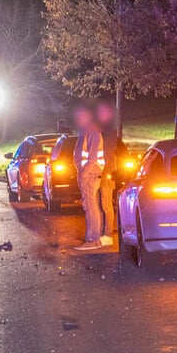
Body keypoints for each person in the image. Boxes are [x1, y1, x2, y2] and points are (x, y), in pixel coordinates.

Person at [72, 104, 104, 251]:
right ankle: (93, 238)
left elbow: (92, 157)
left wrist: (84, 174)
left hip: (90, 175)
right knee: (90, 206)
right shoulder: (85, 132)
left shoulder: (93, 132)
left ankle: (92, 239)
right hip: (87, 175)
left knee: (91, 207)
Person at [94, 100, 120, 249]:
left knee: (105, 203)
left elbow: (106, 153)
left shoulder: (110, 132)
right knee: (98, 204)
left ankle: (107, 235)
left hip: (105, 172)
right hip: (98, 172)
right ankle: (100, 234)